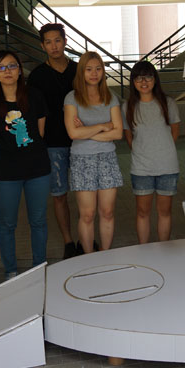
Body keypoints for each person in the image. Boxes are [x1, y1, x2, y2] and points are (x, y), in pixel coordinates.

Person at [0, 50, 50, 280]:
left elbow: (39, 133)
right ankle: (10, 270)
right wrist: (10, 159)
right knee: (7, 223)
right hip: (7, 173)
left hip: (38, 169)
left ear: (20, 70)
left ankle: (39, 267)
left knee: (38, 221)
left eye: (11, 66)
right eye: (1, 67)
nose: (7, 71)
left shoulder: (35, 96)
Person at [26, 23, 78, 259]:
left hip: (82, 141)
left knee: (86, 192)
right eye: (48, 42)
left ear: (65, 41)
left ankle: (87, 235)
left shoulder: (79, 70)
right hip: (53, 143)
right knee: (59, 194)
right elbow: (32, 112)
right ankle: (68, 241)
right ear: (42, 46)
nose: (54, 46)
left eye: (57, 40)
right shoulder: (37, 76)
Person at [64, 51, 123, 253]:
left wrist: (87, 132)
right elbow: (73, 133)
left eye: (98, 69)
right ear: (81, 72)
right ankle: (89, 258)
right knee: (87, 214)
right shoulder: (72, 98)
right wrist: (103, 126)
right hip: (82, 160)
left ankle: (104, 255)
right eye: (89, 69)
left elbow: (118, 133)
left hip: (107, 158)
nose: (94, 73)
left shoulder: (110, 97)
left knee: (107, 212)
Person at [122, 61, 181, 244]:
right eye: (139, 78)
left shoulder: (168, 103)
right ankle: (144, 250)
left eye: (148, 77)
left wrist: (161, 150)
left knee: (164, 212)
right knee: (142, 212)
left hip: (167, 166)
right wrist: (142, 151)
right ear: (133, 81)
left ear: (155, 79)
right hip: (141, 168)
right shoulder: (127, 106)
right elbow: (129, 136)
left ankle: (163, 249)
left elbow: (174, 132)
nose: (144, 82)